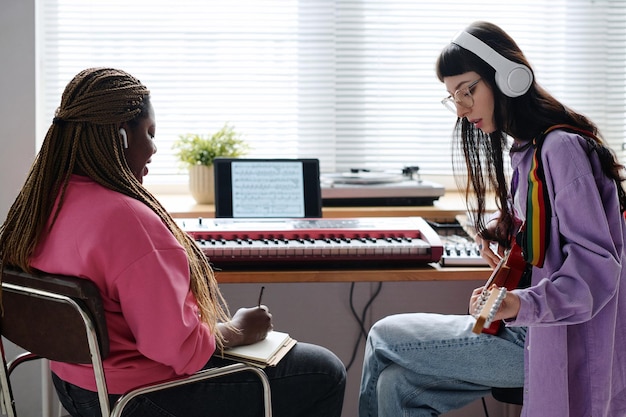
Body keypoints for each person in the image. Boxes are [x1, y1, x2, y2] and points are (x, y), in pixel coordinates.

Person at [0, 67, 346, 417]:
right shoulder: (129, 219)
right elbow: (176, 349)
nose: (153, 147)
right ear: (121, 136)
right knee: (323, 370)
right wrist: (239, 330)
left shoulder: (44, 201)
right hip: (141, 398)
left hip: (75, 388)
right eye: (149, 132)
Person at [359, 21, 626, 417]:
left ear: (510, 77)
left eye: (468, 90)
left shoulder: (561, 148)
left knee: (383, 334)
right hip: (533, 327)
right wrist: (510, 248)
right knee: (395, 385)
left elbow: (597, 269)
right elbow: (550, 242)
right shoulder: (528, 150)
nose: (462, 107)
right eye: (453, 96)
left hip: (549, 339)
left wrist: (517, 302)